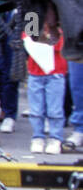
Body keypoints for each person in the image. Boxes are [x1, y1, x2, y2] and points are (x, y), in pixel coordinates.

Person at [23, 19, 67, 155]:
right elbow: (26, 39)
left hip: (56, 73)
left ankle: (55, 138)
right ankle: (38, 137)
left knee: (55, 110)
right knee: (36, 110)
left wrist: (42, 40)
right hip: (35, 73)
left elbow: (60, 45)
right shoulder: (33, 17)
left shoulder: (61, 22)